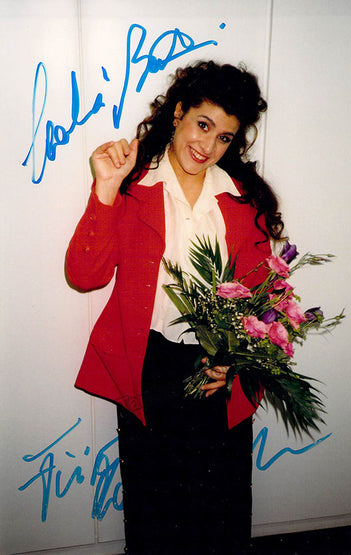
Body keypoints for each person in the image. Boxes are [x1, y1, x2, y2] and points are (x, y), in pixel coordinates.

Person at [66, 61, 284, 555]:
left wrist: (236, 364)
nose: (208, 146)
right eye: (203, 125)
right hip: (150, 367)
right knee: (155, 515)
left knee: (220, 514)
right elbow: (85, 275)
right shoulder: (134, 185)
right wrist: (105, 188)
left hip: (218, 369)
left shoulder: (240, 199)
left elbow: (262, 299)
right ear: (179, 112)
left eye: (224, 137)